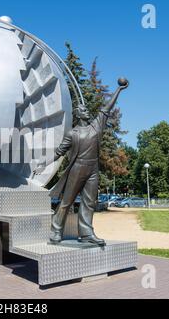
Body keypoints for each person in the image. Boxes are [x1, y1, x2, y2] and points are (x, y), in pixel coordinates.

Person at [34, 78, 129, 245]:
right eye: (83, 110)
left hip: (93, 169)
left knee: (89, 201)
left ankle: (86, 233)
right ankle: (56, 231)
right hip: (77, 169)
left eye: (86, 110)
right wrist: (44, 163)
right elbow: (59, 152)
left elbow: (107, 108)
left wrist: (119, 90)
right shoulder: (72, 134)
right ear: (78, 114)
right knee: (66, 201)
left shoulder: (96, 126)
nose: (87, 112)